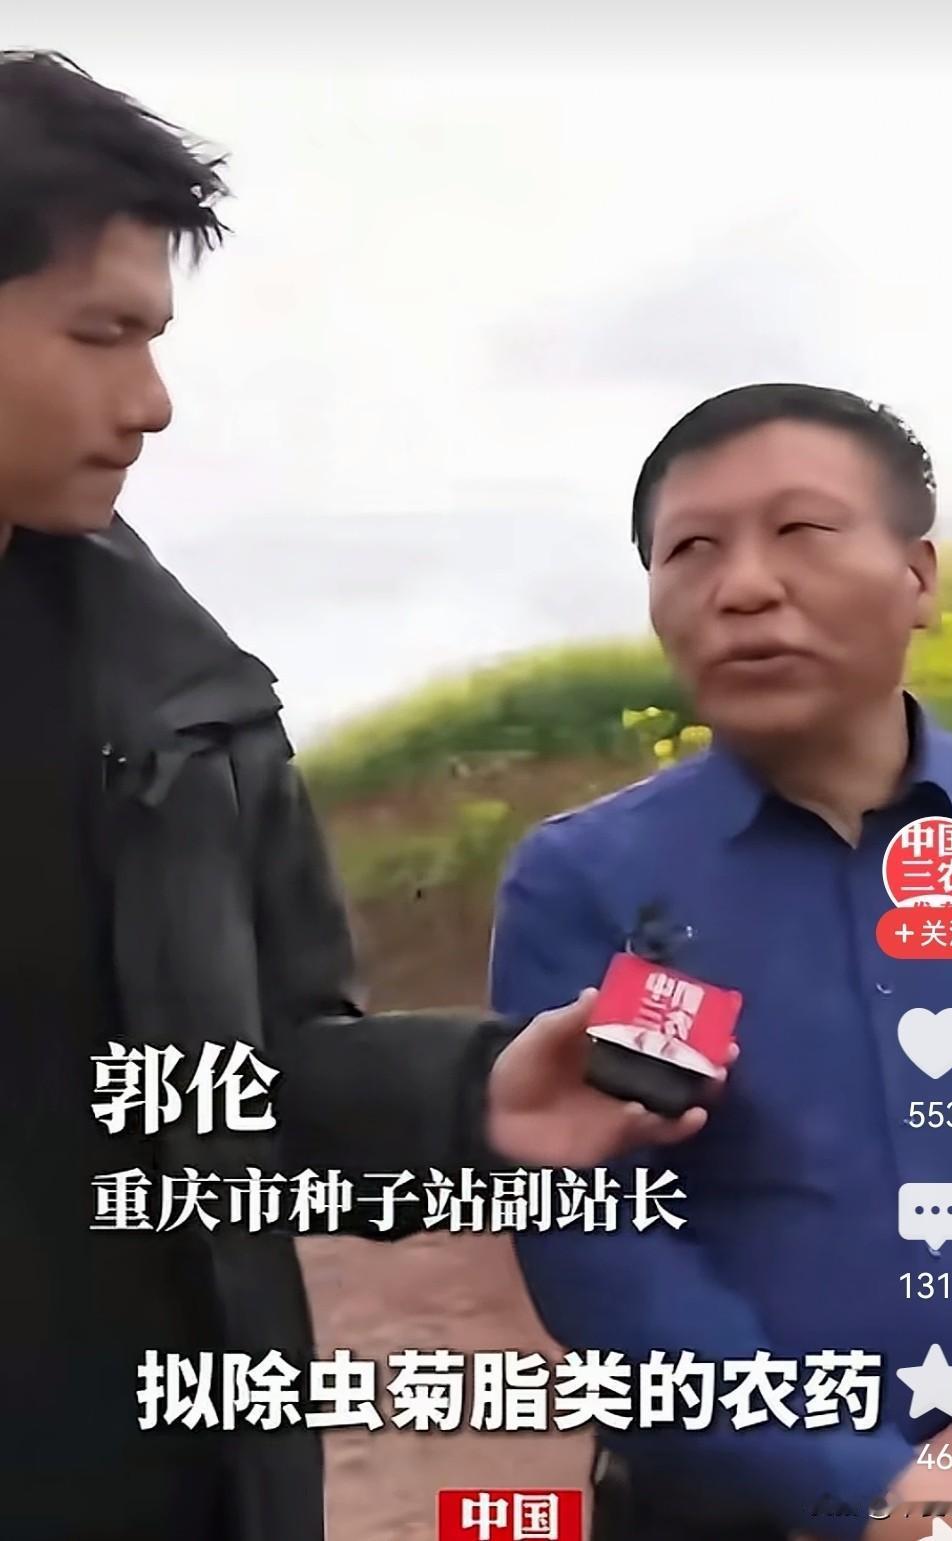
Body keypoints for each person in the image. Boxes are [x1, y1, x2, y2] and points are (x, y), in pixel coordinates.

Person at [0, 51, 720, 1541]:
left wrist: (475, 1094)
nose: (153, 403)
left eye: (155, 339)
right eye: (101, 334)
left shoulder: (184, 706)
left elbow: (245, 1084)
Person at [490, 383, 952, 1540]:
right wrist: (858, 1488)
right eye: (690, 550)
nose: (742, 586)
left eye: (802, 530)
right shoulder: (597, 881)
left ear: (919, 576)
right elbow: (593, 1233)